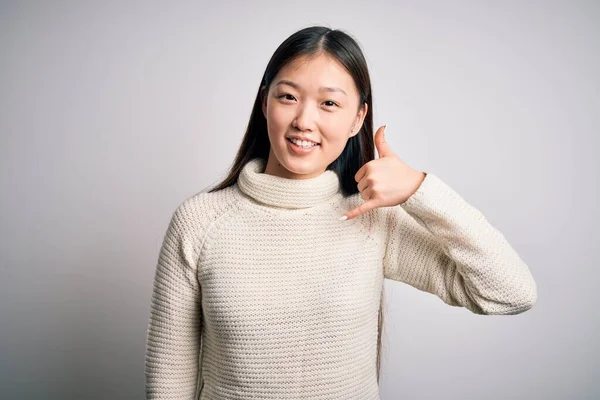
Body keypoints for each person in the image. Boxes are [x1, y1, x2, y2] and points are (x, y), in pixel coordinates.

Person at [144, 25, 537, 400]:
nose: (304, 121)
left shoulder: (371, 218)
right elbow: (169, 378)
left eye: (329, 103)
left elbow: (510, 292)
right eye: (288, 97)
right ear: (265, 102)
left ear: (357, 119)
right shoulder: (199, 222)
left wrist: (420, 189)